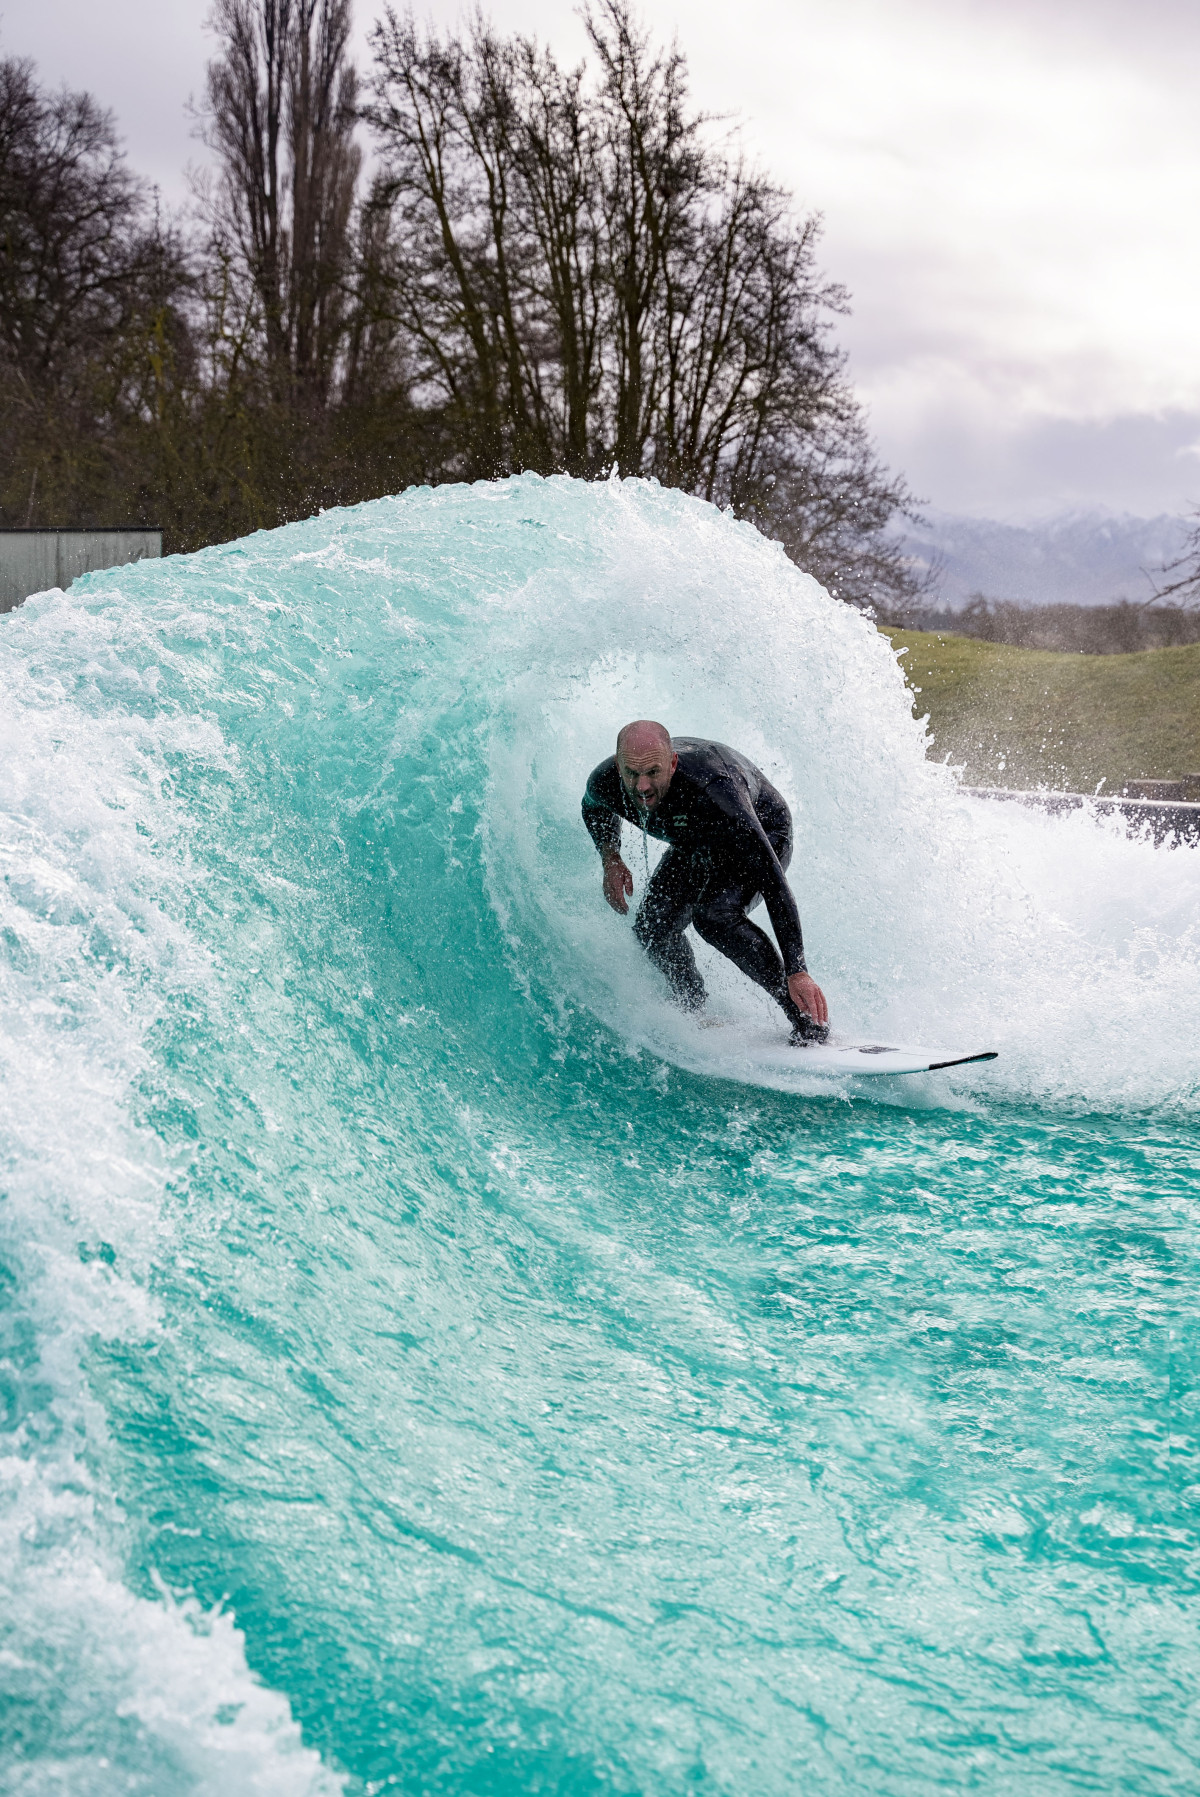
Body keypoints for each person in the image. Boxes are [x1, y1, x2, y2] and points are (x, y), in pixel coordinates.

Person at [581, 720, 829, 1043]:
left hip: (763, 833)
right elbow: (593, 809)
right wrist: (610, 857)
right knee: (651, 928)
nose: (642, 787)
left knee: (714, 916)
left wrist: (798, 968)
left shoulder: (714, 788)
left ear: (672, 764)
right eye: (632, 774)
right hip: (697, 842)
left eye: (653, 773)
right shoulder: (607, 782)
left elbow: (773, 882)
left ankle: (805, 1019)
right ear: (619, 767)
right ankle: (694, 1008)